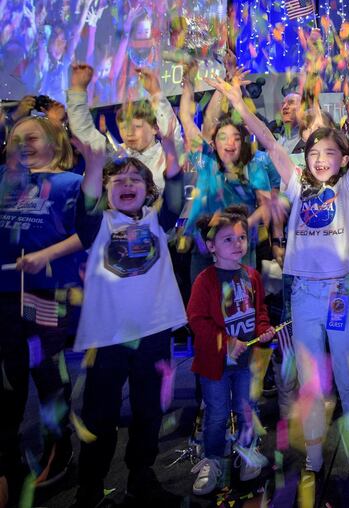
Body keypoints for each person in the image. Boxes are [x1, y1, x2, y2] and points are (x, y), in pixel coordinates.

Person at [207, 66, 349, 503]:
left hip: (342, 292)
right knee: (313, 383)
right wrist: (237, 102)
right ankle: (313, 460)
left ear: (344, 159)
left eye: (330, 152)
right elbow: (272, 142)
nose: (320, 158)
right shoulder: (296, 185)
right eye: (315, 151)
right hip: (305, 294)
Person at [70, 121, 186, 507]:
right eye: (117, 179)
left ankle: (141, 477)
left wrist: (170, 146)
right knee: (99, 416)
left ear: (146, 189)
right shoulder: (97, 224)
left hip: (153, 334)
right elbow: (85, 204)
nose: (127, 184)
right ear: (105, 190)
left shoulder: (156, 220)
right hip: (107, 339)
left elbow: (173, 194)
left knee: (148, 411)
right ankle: (90, 488)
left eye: (136, 178)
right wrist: (93, 164)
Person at [0, 116, 85, 502]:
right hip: (5, 296)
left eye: (31, 137)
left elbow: (88, 232)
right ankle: (10, 460)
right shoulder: (5, 178)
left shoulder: (70, 184)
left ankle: (59, 451)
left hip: (47, 295)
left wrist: (44, 255)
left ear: (54, 141)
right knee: (9, 380)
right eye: (15, 139)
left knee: (48, 374)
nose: (22, 145)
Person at [187, 205, 275, 495]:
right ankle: (212, 460)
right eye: (228, 239)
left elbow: (259, 310)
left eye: (241, 238)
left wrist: (264, 330)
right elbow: (197, 322)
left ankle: (247, 451)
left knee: (247, 408)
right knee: (216, 413)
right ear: (211, 245)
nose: (238, 244)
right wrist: (226, 342)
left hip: (246, 363)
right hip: (214, 366)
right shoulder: (205, 281)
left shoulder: (251, 276)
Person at [178, 61, 273, 280]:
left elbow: (266, 207)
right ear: (214, 142)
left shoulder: (253, 166)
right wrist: (189, 83)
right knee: (204, 305)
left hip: (238, 250)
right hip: (203, 248)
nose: (230, 143)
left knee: (240, 305)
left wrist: (237, 229)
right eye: (223, 137)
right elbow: (186, 118)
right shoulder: (206, 160)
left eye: (236, 138)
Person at [67, 63, 185, 192]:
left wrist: (156, 93)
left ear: (155, 128)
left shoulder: (168, 155)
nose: (129, 133)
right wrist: (78, 91)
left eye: (137, 126)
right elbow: (84, 133)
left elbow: (171, 131)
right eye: (123, 127)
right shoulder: (116, 156)